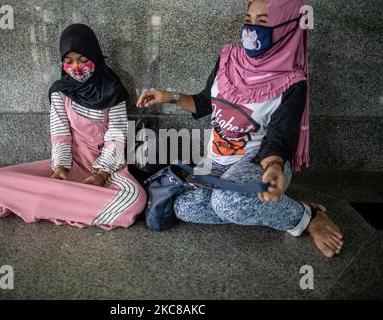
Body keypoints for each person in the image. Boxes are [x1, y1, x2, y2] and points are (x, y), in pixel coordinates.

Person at [136, 0, 343, 257]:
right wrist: (170, 96)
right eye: (248, 20)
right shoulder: (228, 60)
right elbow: (204, 103)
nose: (251, 29)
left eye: (263, 23)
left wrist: (275, 166)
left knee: (226, 202)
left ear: (286, 28)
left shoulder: (292, 83)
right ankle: (273, 207)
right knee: (183, 207)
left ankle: (306, 218)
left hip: (260, 165)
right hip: (216, 164)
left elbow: (279, 138)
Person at [0, 24, 147, 229]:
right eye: (68, 61)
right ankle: (74, 201)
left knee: (134, 200)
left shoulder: (112, 90)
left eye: (83, 60)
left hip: (109, 169)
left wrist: (101, 175)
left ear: (95, 56)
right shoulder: (60, 91)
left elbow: (116, 136)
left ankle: (49, 202)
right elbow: (60, 136)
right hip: (71, 163)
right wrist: (60, 169)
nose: (76, 68)